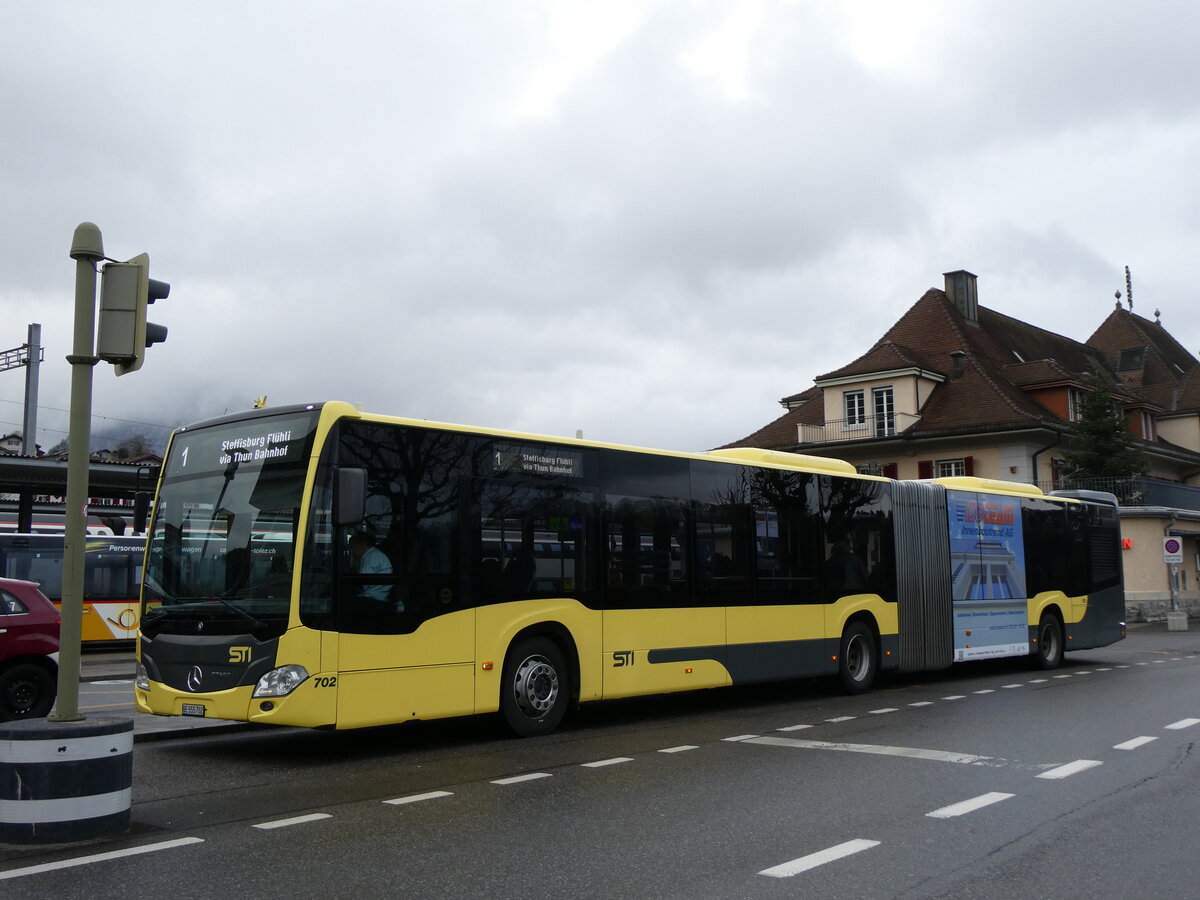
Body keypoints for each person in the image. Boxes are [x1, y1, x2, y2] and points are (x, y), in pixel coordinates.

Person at [348, 531, 396, 609]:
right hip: (377, 596)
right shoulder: (374, 554)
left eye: (353, 548)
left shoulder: (371, 557)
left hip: (374, 599)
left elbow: (364, 581)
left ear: (362, 545)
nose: (352, 552)